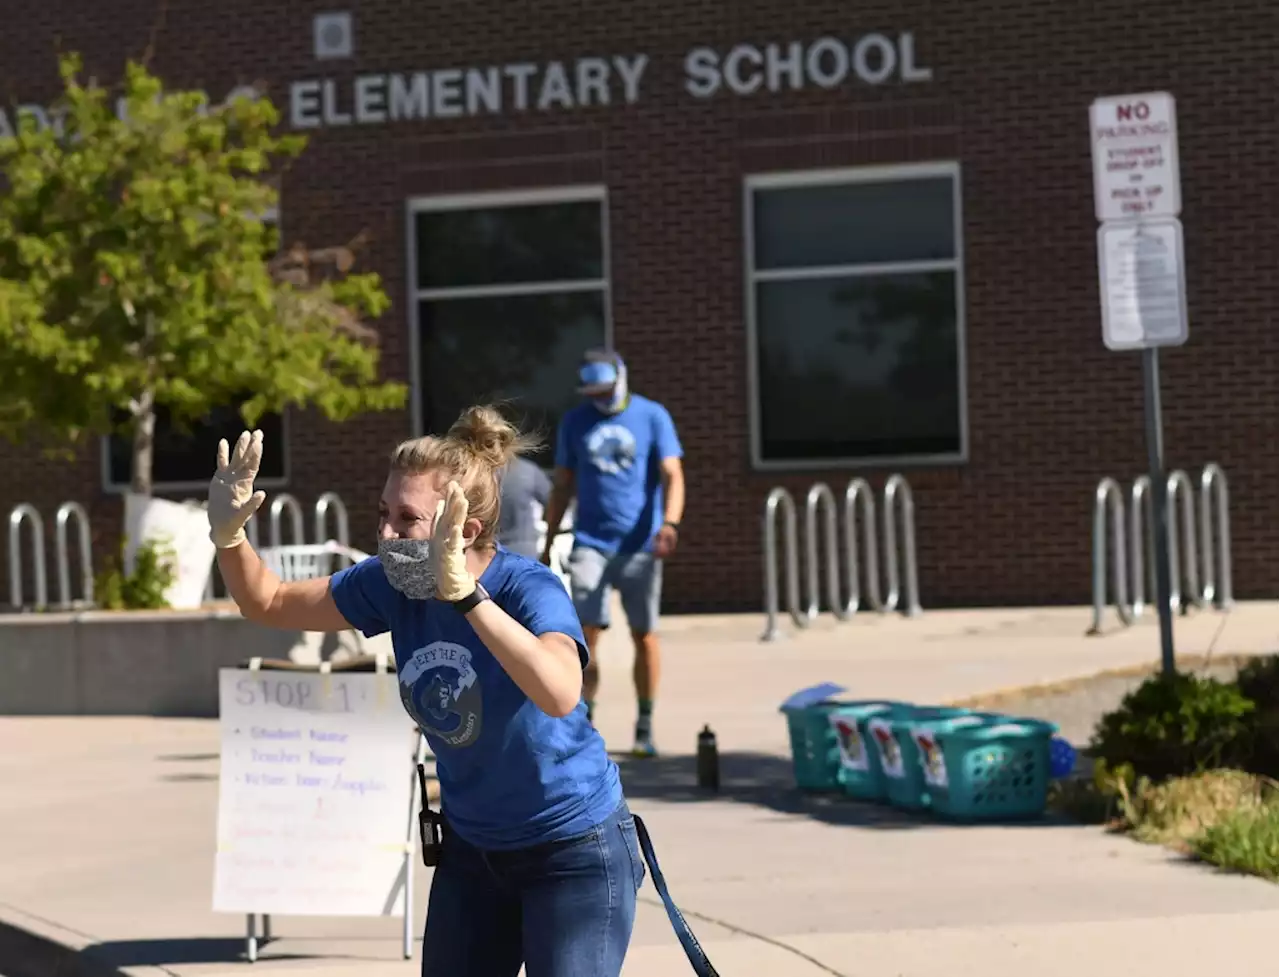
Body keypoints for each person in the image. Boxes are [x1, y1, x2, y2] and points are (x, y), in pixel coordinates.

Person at [206, 408, 644, 977]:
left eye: (407, 519)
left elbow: (561, 691)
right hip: (473, 851)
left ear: (462, 530)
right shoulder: (392, 584)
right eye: (383, 513)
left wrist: (468, 598)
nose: (386, 534)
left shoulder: (526, 587)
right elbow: (267, 601)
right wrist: (229, 535)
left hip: (570, 847)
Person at [539, 350, 685, 758]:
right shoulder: (575, 422)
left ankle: (644, 724)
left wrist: (669, 523)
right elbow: (563, 484)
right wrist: (550, 539)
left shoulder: (652, 416)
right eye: (594, 393)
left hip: (640, 544)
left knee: (644, 634)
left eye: (607, 391)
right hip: (591, 542)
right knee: (585, 636)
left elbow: (673, 474)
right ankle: (585, 723)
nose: (601, 400)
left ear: (622, 380)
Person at [496, 454, 553, 559]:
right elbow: (552, 502)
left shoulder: (477, 472)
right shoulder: (528, 470)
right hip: (524, 548)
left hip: (489, 550)